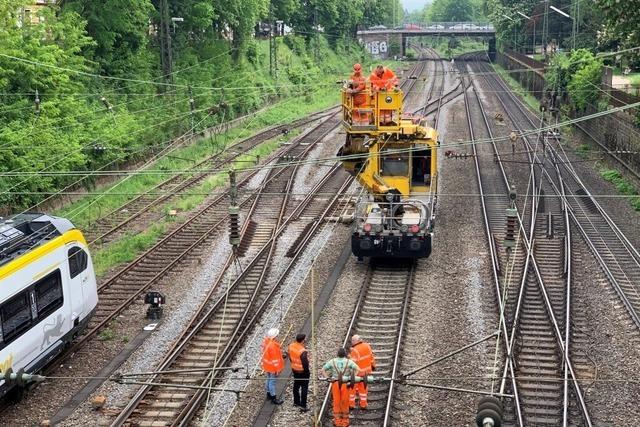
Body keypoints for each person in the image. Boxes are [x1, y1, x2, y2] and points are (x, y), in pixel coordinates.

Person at [322, 347, 360, 427]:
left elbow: (323, 369)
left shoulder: (332, 361)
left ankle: (337, 421)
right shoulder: (349, 362)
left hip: (335, 383)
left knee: (336, 402)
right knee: (345, 402)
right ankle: (345, 422)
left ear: (337, 354)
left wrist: (328, 378)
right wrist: (352, 378)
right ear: (345, 354)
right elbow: (357, 369)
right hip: (345, 383)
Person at [349, 335, 376, 410]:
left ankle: (351, 405)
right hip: (366, 372)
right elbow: (371, 357)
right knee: (363, 388)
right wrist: (373, 365)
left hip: (357, 373)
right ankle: (363, 404)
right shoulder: (367, 346)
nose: (351, 342)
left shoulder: (355, 350)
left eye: (352, 340)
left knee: (352, 388)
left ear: (356, 341)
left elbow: (352, 363)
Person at [261, 327, 284, 404]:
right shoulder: (273, 346)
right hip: (273, 367)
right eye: (277, 335)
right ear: (275, 336)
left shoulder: (265, 342)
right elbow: (275, 360)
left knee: (268, 379)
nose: (278, 336)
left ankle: (268, 394)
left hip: (267, 365)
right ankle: (273, 397)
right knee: (272, 381)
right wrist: (277, 370)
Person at [288, 333, 310, 412]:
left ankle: (296, 402)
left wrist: (293, 364)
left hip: (294, 369)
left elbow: (290, 357)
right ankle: (303, 406)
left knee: (296, 385)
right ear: (303, 340)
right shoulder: (302, 351)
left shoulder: (291, 346)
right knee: (304, 388)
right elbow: (305, 363)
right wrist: (307, 372)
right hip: (302, 371)